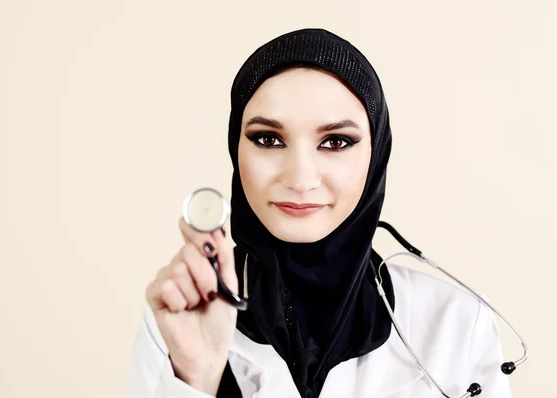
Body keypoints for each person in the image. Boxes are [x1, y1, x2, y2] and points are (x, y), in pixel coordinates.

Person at [125, 28, 511, 397]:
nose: (300, 179)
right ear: (236, 149)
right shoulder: (181, 313)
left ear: (376, 155)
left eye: (336, 141)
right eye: (268, 139)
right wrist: (197, 378)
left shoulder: (455, 323)